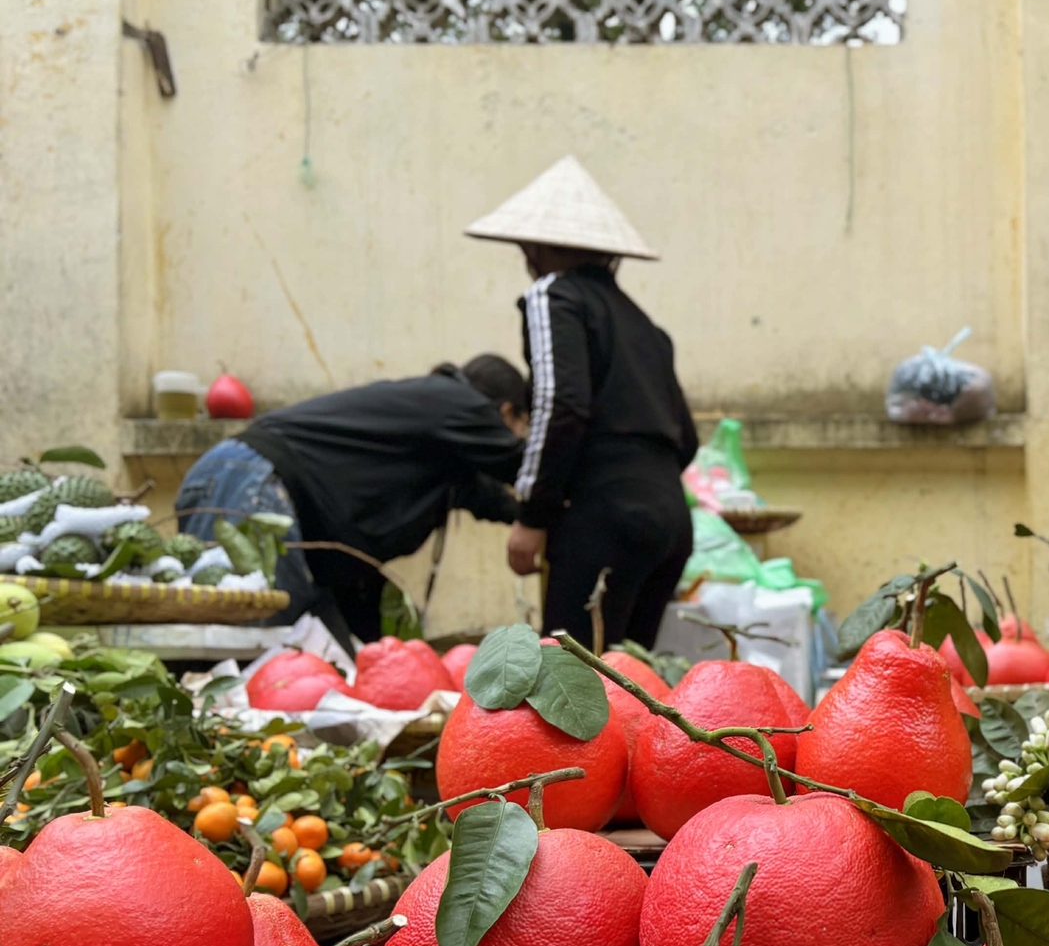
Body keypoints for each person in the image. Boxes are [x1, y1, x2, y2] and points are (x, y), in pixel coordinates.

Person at [465, 155, 698, 647]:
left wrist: (533, 514)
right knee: (631, 675)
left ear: (536, 247)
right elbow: (688, 440)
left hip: (605, 514)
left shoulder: (553, 296)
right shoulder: (645, 326)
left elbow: (560, 404)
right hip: (671, 521)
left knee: (570, 676)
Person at [174, 357, 529, 648]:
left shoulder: (435, 435)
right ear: (505, 412)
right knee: (247, 650)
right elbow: (525, 465)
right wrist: (547, 505)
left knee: (318, 662)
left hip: (235, 476)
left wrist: (534, 521)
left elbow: (485, 496)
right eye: (524, 426)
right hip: (250, 483)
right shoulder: (459, 400)